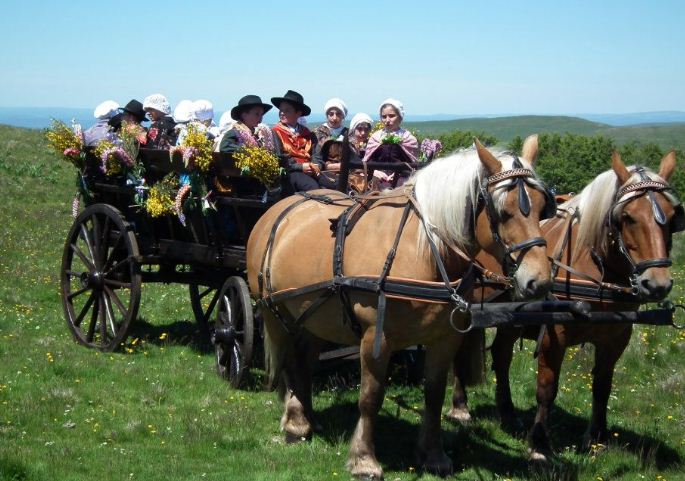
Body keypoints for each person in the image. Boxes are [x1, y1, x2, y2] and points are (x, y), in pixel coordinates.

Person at [363, 98, 418, 189]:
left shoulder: (409, 139)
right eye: (384, 116)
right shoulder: (375, 138)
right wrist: (375, 171)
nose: (387, 120)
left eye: (391, 116)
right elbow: (367, 162)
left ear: (400, 117)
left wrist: (399, 173)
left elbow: (412, 165)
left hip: (402, 180)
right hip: (376, 178)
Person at [270, 90, 319, 193]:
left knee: (336, 183)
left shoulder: (308, 134)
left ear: (298, 113)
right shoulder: (275, 132)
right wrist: (300, 167)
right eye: (281, 110)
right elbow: (278, 160)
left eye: (287, 110)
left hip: (311, 171)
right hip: (290, 173)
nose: (282, 113)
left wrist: (315, 166)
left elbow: (317, 156)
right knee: (313, 188)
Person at [313, 98, 349, 188]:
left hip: (345, 171)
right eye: (331, 114)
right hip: (325, 171)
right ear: (327, 115)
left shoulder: (347, 133)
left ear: (343, 116)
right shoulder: (320, 132)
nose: (334, 118)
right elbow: (317, 156)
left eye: (338, 114)